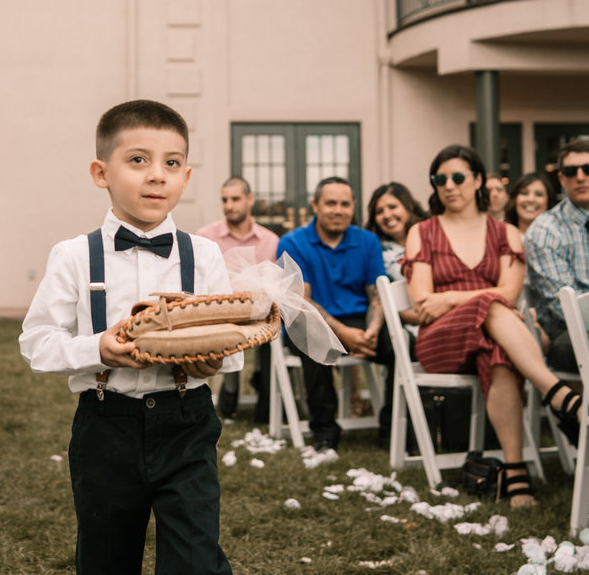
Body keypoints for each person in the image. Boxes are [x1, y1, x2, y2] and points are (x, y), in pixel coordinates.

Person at [19, 99, 237, 575]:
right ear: (102, 172)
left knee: (197, 560)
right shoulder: (75, 256)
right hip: (105, 425)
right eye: (138, 160)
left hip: (187, 422)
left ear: (187, 176)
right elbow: (36, 341)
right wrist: (96, 347)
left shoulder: (205, 256)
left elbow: (228, 342)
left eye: (172, 163)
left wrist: (212, 361)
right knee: (106, 558)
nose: (157, 175)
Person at [403, 144, 580, 508]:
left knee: (498, 352)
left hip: (491, 335)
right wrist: (475, 298)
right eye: (440, 179)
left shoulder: (505, 233)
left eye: (457, 177)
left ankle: (515, 473)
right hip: (440, 341)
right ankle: (555, 392)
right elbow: (423, 302)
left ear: (479, 180)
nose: (449, 186)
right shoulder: (423, 231)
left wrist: (450, 297)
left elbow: (511, 295)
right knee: (491, 302)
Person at [276, 176, 386, 451]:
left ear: (354, 206)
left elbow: (377, 296)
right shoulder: (293, 242)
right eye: (331, 203)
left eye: (345, 204)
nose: (338, 210)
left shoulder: (368, 241)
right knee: (313, 336)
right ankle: (325, 432)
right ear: (315, 205)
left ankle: (394, 429)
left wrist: (372, 330)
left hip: (360, 320)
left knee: (399, 344)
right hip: (311, 319)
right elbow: (303, 302)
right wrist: (343, 334)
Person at [524, 139, 589, 371]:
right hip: (569, 332)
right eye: (570, 171)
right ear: (561, 179)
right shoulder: (546, 229)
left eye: (588, 169)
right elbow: (563, 307)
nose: (580, 177)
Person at [197, 176, 280, 422]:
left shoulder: (269, 240)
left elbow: (272, 285)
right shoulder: (205, 236)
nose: (229, 205)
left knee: (271, 333)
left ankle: (266, 402)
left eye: (235, 199)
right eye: (225, 200)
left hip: (260, 313)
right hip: (219, 312)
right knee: (227, 330)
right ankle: (229, 390)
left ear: (250, 200)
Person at [366, 182, 428, 282]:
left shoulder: (431, 236)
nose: (386, 215)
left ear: (408, 207)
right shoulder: (374, 251)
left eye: (392, 207)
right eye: (379, 211)